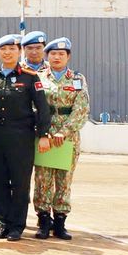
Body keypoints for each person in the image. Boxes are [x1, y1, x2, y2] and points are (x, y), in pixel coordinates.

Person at [0, 34, 51, 241]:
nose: (7, 53)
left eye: (11, 49)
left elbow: (42, 109)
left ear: (19, 52)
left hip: (21, 135)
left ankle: (17, 226)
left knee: (20, 183)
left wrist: (43, 134)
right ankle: (3, 224)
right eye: (3, 50)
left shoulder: (30, 77)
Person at [33, 37, 89, 240]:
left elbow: (81, 110)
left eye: (61, 54)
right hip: (44, 137)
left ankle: (60, 221)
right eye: (53, 54)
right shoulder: (38, 77)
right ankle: (43, 220)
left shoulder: (77, 79)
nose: (57, 57)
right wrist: (44, 132)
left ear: (68, 57)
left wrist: (63, 132)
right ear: (47, 56)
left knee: (64, 180)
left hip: (68, 138)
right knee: (43, 179)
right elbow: (33, 106)